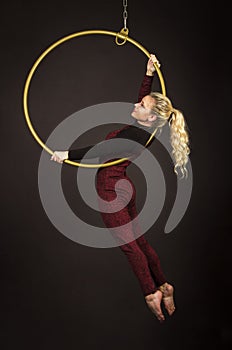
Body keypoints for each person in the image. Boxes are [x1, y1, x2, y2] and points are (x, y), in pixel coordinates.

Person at [50, 55, 190, 322]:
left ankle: (152, 293)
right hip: (124, 187)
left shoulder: (135, 133)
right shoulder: (147, 129)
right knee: (139, 242)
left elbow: (98, 150)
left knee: (130, 247)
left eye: (142, 105)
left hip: (111, 191)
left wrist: (65, 154)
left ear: (149, 117)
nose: (137, 103)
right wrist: (148, 74)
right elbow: (147, 103)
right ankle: (164, 285)